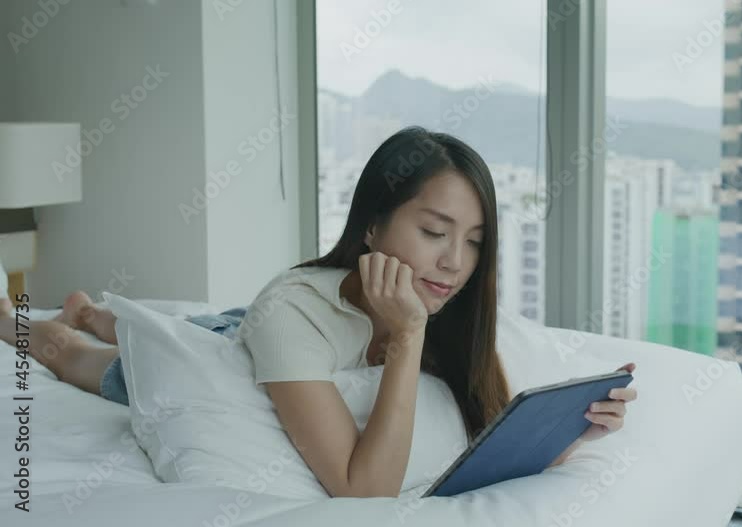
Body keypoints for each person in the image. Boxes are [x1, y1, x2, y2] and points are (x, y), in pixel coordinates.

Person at [0, 126, 638, 498]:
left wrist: (569, 431)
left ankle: (94, 312)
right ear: (372, 226)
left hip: (258, 324)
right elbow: (363, 492)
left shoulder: (448, 301)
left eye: (473, 241)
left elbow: (480, 433)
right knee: (90, 361)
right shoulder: (294, 312)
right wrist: (409, 335)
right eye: (435, 231)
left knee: (178, 321)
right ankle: (22, 322)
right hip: (246, 340)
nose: (454, 263)